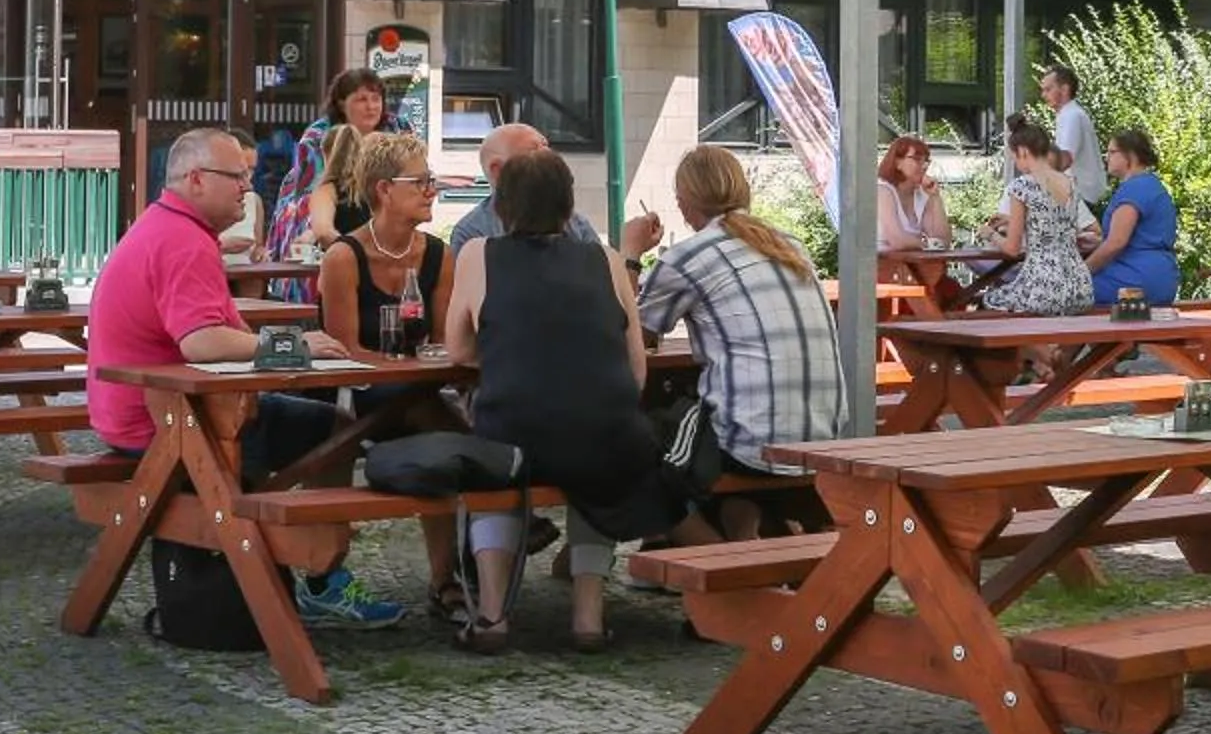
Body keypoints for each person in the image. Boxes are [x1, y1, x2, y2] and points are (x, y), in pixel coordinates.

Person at [83, 125, 400, 628]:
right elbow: (202, 341)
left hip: (142, 412)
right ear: (195, 179)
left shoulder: (165, 225)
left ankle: (311, 558)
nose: (247, 188)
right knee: (337, 431)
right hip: (165, 426)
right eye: (236, 176)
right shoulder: (183, 240)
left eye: (248, 176)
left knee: (324, 426)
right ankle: (322, 568)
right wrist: (295, 346)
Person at [445, 149, 715, 653]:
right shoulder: (607, 260)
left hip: (515, 427)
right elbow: (635, 368)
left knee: (492, 464)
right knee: (600, 453)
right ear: (569, 208)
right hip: (609, 431)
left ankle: (491, 616)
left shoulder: (477, 254)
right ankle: (589, 618)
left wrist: (515, 353)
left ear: (503, 206)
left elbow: (459, 348)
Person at [630, 146, 848, 537]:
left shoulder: (686, 257)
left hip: (755, 440)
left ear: (683, 200)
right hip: (822, 433)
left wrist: (630, 254)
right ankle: (745, 547)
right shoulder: (788, 244)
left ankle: (717, 564)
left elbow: (632, 336)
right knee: (701, 427)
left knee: (634, 448)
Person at [316, 130, 466, 616]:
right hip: (355, 395)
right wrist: (408, 368)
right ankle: (493, 504)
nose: (432, 191)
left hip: (416, 393)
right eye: (421, 181)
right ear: (384, 189)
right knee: (438, 424)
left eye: (432, 181)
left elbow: (440, 342)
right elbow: (345, 352)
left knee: (432, 424)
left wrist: (424, 366)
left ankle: (448, 579)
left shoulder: (439, 256)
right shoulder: (344, 257)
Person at [265, 69, 404, 268]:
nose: (371, 106)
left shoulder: (397, 128)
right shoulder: (317, 136)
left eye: (376, 99)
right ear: (341, 103)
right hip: (317, 204)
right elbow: (310, 190)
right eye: (361, 100)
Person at [980, 115, 1096, 315]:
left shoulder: (1022, 186)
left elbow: (1012, 249)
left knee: (989, 301)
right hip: (1079, 284)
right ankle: (1052, 348)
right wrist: (1015, 220)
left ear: (1023, 152)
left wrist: (989, 233)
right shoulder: (1070, 184)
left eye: (1015, 157)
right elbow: (1053, 221)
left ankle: (1037, 348)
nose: (1016, 164)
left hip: (1042, 286)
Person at [447, 122, 601, 255]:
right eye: (534, 150)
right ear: (498, 170)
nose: (548, 155)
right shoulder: (473, 233)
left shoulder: (577, 223)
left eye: (546, 146)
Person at [1084, 128, 1183, 308]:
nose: (1107, 157)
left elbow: (1116, 243)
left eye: (1112, 152)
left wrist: (1081, 272)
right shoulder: (1153, 185)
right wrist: (1098, 242)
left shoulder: (1134, 189)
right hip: (1161, 277)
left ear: (1131, 155)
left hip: (1134, 280)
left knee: (1063, 293)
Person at [874, 135, 946, 282]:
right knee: (929, 283)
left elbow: (942, 239)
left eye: (927, 161)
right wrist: (927, 244)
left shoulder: (922, 193)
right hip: (878, 269)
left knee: (943, 282)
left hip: (912, 268)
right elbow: (897, 240)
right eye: (917, 159)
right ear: (897, 162)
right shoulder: (882, 190)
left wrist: (935, 197)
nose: (924, 166)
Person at [1040, 66, 1107, 210]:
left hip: (1082, 197)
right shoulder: (1069, 114)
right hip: (1079, 195)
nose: (1043, 95)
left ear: (1064, 89)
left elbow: (1065, 159)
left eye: (1048, 89)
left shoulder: (1072, 116)